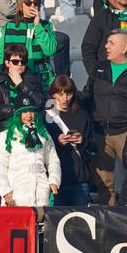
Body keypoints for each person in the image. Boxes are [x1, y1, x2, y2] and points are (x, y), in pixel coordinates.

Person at [86, 30, 127, 204]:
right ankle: (107, 218)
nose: (106, 46)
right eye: (107, 42)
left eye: (111, 43)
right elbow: (87, 96)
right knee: (104, 181)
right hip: (100, 132)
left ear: (124, 48)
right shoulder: (98, 68)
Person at [0, 96, 60, 213]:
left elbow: (53, 160)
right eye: (24, 112)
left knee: (40, 229)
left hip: (41, 193)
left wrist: (53, 181)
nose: (28, 115)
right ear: (17, 114)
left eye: (31, 111)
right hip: (16, 194)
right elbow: (0, 165)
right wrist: (5, 191)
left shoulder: (43, 134)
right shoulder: (5, 136)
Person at [0, 43, 47, 156]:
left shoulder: (32, 79)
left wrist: (21, 84)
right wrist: (20, 111)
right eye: (15, 62)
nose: (20, 64)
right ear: (7, 63)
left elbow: (39, 102)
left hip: (29, 132)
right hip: (4, 131)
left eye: (23, 62)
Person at [0, 0, 59, 90]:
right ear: (21, 6)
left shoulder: (46, 26)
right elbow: (0, 57)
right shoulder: (8, 27)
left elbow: (50, 50)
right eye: (28, 3)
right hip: (14, 82)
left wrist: (38, 26)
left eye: (36, 3)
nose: (32, 6)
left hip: (41, 82)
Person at [45, 76, 93, 207]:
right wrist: (56, 141)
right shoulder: (47, 117)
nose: (65, 99)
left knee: (82, 222)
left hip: (79, 180)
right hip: (56, 180)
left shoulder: (83, 116)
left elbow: (93, 149)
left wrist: (82, 141)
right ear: (53, 95)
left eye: (68, 93)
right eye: (60, 94)